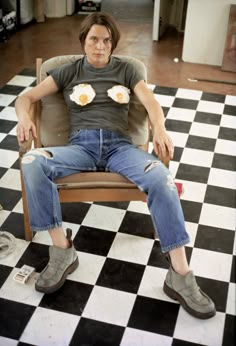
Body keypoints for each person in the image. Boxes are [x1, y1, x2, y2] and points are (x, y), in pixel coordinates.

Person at [15, 12, 215, 319]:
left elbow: (151, 102)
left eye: (107, 40)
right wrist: (24, 117)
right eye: (94, 39)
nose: (100, 46)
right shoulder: (68, 72)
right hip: (79, 148)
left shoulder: (126, 70)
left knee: (161, 179)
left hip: (120, 148)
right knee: (31, 161)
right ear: (84, 41)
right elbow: (26, 98)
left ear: (113, 44)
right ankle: (63, 251)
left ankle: (180, 275)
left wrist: (159, 128)